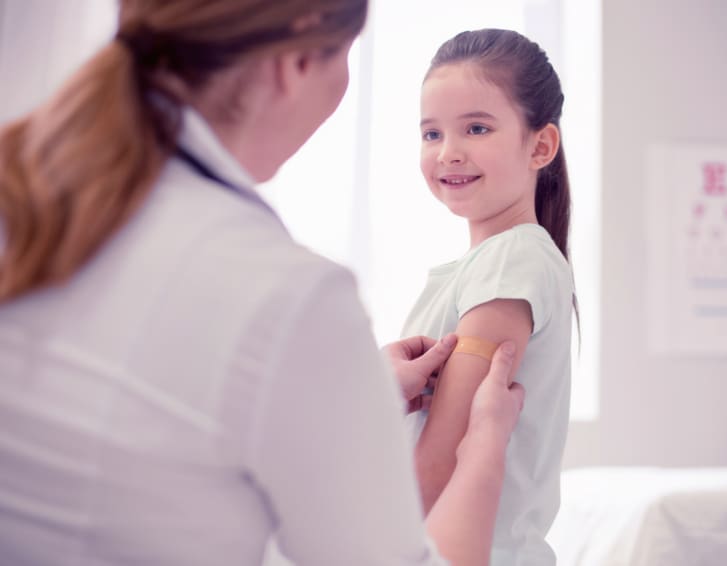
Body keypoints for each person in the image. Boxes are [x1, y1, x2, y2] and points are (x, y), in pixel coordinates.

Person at [0, 3, 526, 565]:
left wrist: (337, 394)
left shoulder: (28, 195)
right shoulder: (292, 295)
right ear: (298, 59)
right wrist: (486, 447)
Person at [404, 29, 576, 565]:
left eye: (476, 128)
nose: (448, 153)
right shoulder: (495, 264)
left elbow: (443, 461)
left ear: (540, 145)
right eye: (431, 134)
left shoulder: (512, 260)